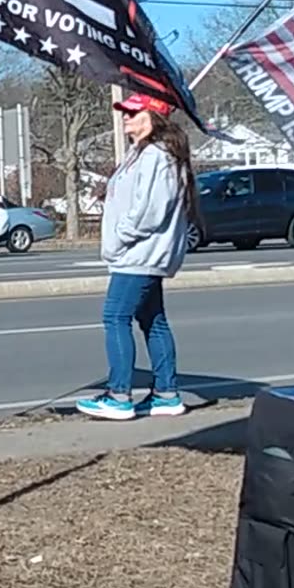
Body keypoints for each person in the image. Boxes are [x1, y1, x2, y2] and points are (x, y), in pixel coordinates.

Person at [76, 93, 198, 421]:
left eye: (132, 111)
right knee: (153, 321)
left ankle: (119, 395)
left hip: (139, 255)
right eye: (124, 111)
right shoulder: (141, 153)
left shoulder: (158, 156)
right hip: (140, 254)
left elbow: (151, 211)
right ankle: (166, 394)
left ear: (152, 116)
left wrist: (120, 237)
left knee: (115, 317)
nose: (125, 117)